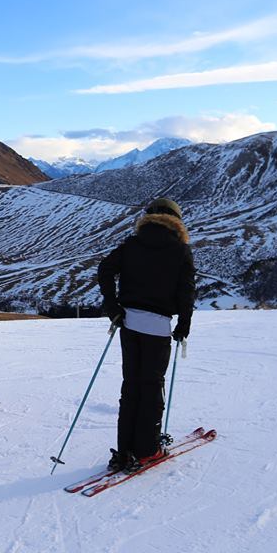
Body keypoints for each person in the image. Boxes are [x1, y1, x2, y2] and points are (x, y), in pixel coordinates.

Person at [97, 197, 196, 472]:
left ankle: (123, 451)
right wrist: (184, 324)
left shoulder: (132, 244)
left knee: (131, 386)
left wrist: (113, 308)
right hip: (158, 326)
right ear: (176, 219)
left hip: (128, 323)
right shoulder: (180, 250)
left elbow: (104, 270)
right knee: (151, 387)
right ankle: (147, 450)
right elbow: (187, 291)